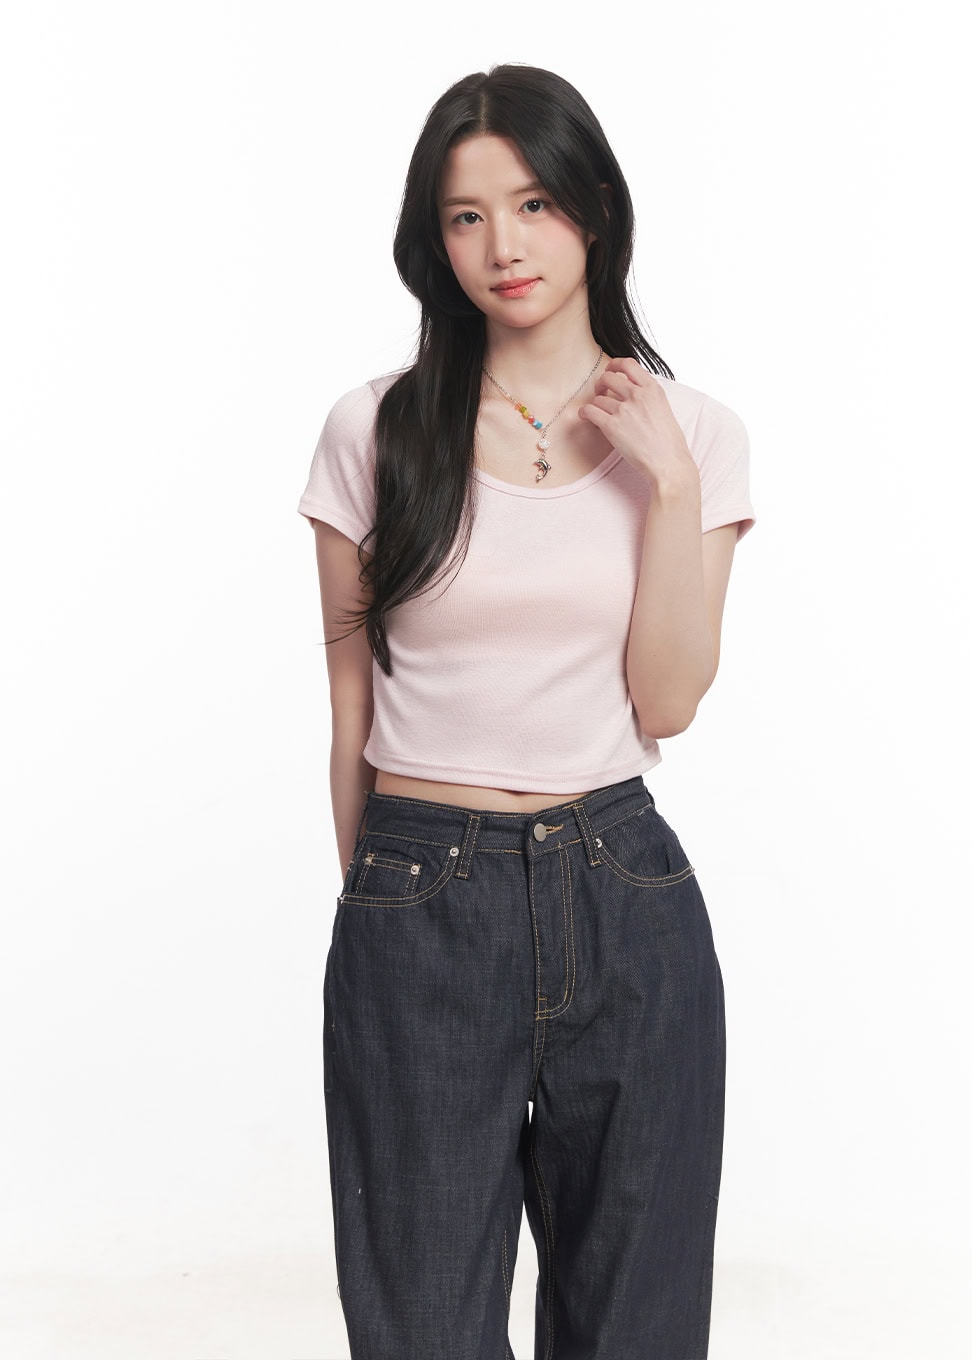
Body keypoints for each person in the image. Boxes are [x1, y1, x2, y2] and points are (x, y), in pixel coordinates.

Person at [297, 63, 755, 1360]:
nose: (504, 244)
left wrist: (669, 488)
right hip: (421, 891)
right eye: (466, 215)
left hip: (626, 888)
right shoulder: (373, 430)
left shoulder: (699, 435)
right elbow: (349, 707)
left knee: (636, 1324)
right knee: (422, 1320)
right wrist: (387, 914)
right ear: (434, 241)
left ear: (594, 207)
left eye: (535, 203)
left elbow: (670, 698)